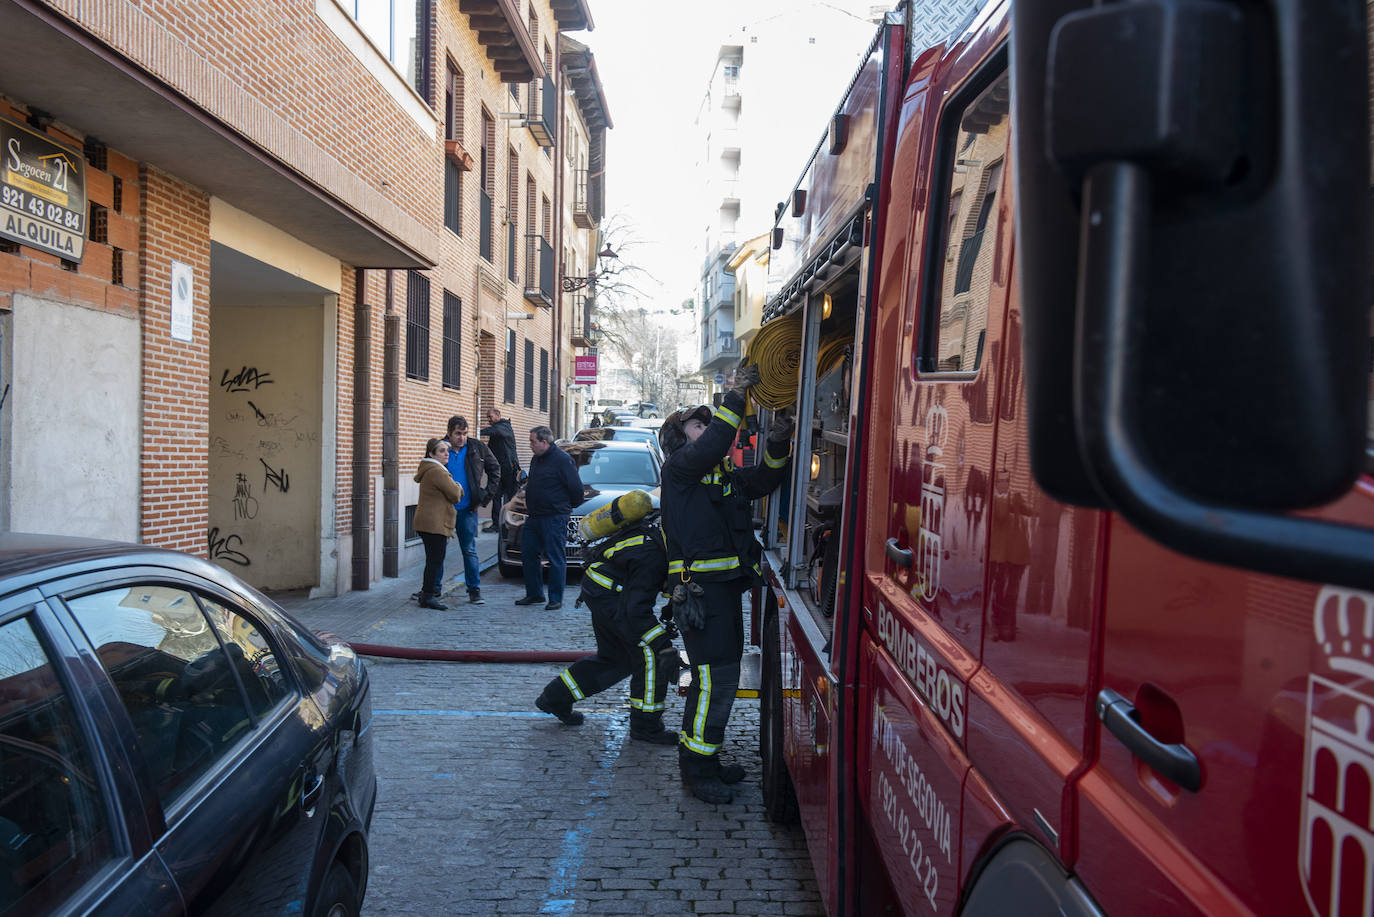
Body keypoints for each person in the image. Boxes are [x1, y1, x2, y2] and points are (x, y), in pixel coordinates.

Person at [658, 366, 793, 804]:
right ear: (682, 439)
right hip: (701, 596)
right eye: (700, 423)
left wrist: (777, 442)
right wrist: (734, 397)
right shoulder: (681, 470)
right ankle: (696, 769)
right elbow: (719, 439)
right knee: (715, 680)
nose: (709, 427)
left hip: (722, 594)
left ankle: (708, 759)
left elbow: (763, 481)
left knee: (724, 676)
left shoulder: (716, 478)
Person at [534, 511, 679, 744]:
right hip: (612, 598)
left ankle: (555, 697)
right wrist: (662, 642)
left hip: (600, 590)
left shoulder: (652, 538)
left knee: (616, 659)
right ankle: (646, 727)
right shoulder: (652, 555)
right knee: (651, 654)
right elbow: (636, 611)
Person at [515, 426, 584, 611]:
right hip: (535, 516)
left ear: (544, 442)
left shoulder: (562, 460)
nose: (530, 445)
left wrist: (565, 509)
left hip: (554, 516)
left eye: (532, 441)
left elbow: (576, 489)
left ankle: (555, 598)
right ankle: (535, 593)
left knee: (555, 557)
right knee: (529, 554)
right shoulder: (536, 458)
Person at [435, 415, 501, 606]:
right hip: (443, 509)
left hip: (467, 509)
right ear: (449, 433)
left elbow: (495, 469)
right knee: (438, 551)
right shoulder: (439, 448)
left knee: (469, 550)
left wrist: (485, 495)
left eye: (464, 433)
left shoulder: (476, 447)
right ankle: (434, 588)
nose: (461, 438)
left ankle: (474, 590)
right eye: (457, 434)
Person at [412, 437, 462, 611]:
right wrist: (459, 486)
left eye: (447, 451)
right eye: (441, 451)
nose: (446, 454)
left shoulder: (430, 469)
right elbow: (455, 493)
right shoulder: (437, 471)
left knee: (433, 560)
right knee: (435, 561)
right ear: (431, 454)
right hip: (434, 523)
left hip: (428, 521)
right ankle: (428, 596)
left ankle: (427, 594)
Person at [480, 407, 521, 533]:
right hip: (499, 470)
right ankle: (497, 524)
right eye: (487, 417)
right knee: (496, 496)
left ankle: (513, 524)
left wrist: (479, 432)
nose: (489, 420)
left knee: (512, 497)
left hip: (510, 469)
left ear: (498, 415)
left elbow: (498, 432)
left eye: (490, 417)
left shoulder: (504, 426)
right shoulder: (498, 428)